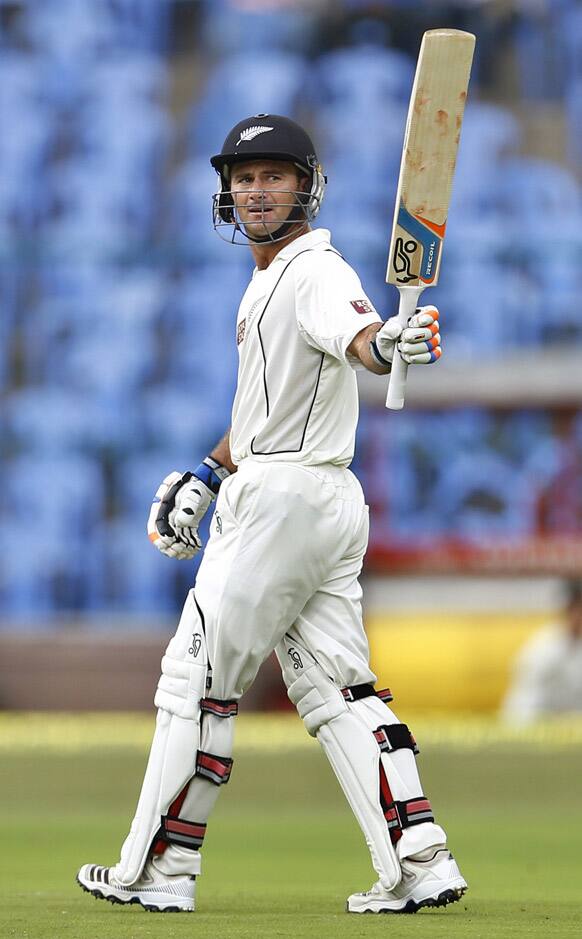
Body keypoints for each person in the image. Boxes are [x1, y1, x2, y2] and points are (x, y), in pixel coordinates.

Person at [77, 114, 466, 914]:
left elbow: (359, 337)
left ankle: (159, 869)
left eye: (275, 175)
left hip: (284, 502)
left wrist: (388, 345)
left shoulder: (312, 271)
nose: (256, 190)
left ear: (306, 187)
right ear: (226, 192)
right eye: (244, 177)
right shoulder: (269, 280)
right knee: (339, 690)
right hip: (319, 498)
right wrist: (213, 467)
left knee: (198, 681)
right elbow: (267, 405)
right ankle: (421, 861)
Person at [501, 580, 582, 724]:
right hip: (536, 728)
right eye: (578, 608)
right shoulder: (543, 648)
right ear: (569, 610)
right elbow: (527, 702)